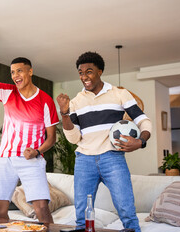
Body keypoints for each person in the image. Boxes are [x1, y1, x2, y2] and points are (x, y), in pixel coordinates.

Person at [0, 35, 59, 223]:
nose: (15, 75)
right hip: (6, 159)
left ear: (30, 71)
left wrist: (37, 151)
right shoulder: (8, 92)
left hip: (31, 160)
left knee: (41, 208)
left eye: (20, 71)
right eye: (12, 72)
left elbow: (51, 138)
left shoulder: (45, 101)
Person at [56, 51, 151, 232]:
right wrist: (64, 113)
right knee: (82, 217)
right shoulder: (76, 102)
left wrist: (140, 141)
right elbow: (74, 138)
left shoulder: (119, 94)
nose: (84, 77)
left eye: (89, 71)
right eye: (81, 73)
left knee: (126, 208)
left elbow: (143, 121)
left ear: (100, 71)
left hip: (112, 157)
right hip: (84, 159)